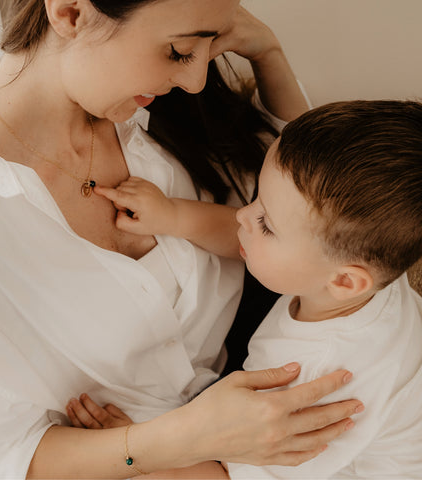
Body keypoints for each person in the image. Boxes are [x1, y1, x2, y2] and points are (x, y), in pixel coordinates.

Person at [0, 1, 363, 478]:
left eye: (207, 47)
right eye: (180, 52)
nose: (197, 79)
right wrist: (187, 440)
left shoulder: (164, 109)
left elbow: (324, 216)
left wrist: (266, 51)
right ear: (71, 12)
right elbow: (7, 454)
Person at [90, 100, 422, 478]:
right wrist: (172, 214)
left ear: (345, 281)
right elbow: (248, 238)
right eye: (257, 200)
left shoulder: (325, 381)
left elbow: (236, 473)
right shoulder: (359, 274)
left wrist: (138, 458)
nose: (244, 215)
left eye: (267, 224)